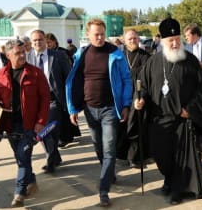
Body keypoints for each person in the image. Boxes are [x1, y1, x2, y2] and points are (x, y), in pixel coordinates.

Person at [134, 18, 202, 205]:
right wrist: (139, 100)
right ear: (163, 41)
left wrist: (191, 109)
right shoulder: (152, 62)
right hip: (159, 120)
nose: (175, 43)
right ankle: (169, 179)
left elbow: (201, 89)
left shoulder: (191, 61)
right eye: (171, 40)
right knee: (161, 156)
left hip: (182, 119)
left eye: (177, 39)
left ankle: (177, 190)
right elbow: (143, 87)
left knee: (181, 157)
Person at [66, 18, 132, 207]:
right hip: (89, 109)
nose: (100, 37)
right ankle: (109, 174)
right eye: (96, 34)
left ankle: (103, 190)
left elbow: (127, 79)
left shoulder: (115, 53)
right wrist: (73, 109)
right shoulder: (81, 54)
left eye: (102, 34)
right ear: (88, 35)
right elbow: (73, 82)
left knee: (109, 148)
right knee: (98, 147)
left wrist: (126, 104)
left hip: (110, 109)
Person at [0, 39, 50, 208]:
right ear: (8, 55)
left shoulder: (35, 73)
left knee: (22, 156)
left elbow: (45, 99)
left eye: (23, 52)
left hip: (29, 125)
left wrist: (41, 122)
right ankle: (32, 180)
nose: (22, 55)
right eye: (18, 53)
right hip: (9, 125)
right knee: (20, 157)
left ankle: (19, 193)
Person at [30, 30, 71, 173]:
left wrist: (70, 100)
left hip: (54, 100)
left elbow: (69, 78)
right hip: (36, 102)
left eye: (40, 39)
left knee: (46, 130)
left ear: (45, 40)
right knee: (47, 132)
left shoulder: (58, 56)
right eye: (34, 40)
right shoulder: (28, 58)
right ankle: (56, 157)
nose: (37, 42)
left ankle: (51, 161)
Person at [117, 28, 150, 168]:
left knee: (137, 127)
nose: (133, 41)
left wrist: (142, 96)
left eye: (135, 38)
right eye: (130, 39)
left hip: (139, 96)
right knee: (123, 127)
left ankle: (135, 157)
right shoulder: (119, 56)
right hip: (123, 97)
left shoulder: (146, 56)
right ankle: (123, 154)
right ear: (124, 41)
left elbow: (148, 79)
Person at [46, 32, 81, 146]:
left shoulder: (61, 52)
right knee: (58, 115)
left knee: (65, 113)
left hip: (62, 86)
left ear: (55, 42)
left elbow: (68, 69)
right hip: (53, 90)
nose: (47, 45)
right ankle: (62, 137)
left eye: (49, 42)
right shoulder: (45, 55)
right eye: (46, 43)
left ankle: (66, 136)